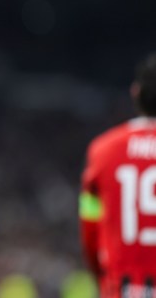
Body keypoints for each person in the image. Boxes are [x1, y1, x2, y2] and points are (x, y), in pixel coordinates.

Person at [80, 52, 156, 298]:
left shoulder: (103, 151)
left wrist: (102, 279)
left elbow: (90, 229)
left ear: (136, 92)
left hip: (121, 287)